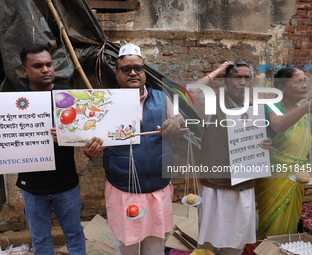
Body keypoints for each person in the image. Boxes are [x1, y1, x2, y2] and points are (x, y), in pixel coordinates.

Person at [0, 43, 86, 255]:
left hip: (66, 184)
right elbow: (11, 136)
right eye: (38, 65)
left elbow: (85, 137)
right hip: (32, 187)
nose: (46, 69)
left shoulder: (68, 98)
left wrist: (69, 137)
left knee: (75, 234)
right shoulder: (12, 102)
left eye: (49, 64)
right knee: (40, 239)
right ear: (25, 70)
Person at [83, 43, 184, 255]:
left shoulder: (162, 98)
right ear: (117, 73)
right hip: (122, 189)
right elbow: (91, 142)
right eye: (126, 69)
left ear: (144, 71)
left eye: (138, 68)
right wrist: (90, 151)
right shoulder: (104, 104)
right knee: (126, 246)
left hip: (158, 188)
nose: (133, 73)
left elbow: (181, 126)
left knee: (155, 246)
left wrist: (176, 126)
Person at [189, 60, 271, 255]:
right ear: (226, 82)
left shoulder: (254, 110)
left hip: (242, 186)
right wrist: (217, 71)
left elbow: (256, 144)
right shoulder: (212, 105)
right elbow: (192, 92)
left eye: (247, 78)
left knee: (236, 245)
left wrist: (263, 145)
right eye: (236, 77)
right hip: (215, 186)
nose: (242, 82)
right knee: (206, 244)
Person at [255, 67, 311, 239]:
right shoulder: (270, 106)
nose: (304, 85)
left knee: (289, 226)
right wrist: (307, 106)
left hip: (297, 179)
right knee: (271, 225)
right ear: (282, 88)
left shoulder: (303, 112)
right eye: (298, 82)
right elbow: (278, 125)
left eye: (305, 80)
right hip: (274, 179)